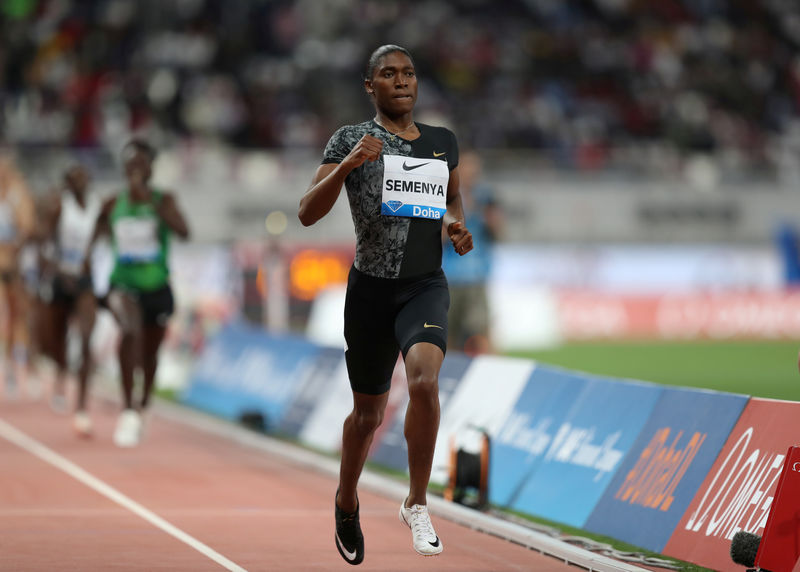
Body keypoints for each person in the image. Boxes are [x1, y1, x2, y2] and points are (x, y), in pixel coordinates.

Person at [298, 44, 473, 564]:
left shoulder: (442, 143)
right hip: (370, 292)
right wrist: (349, 163)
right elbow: (307, 212)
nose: (402, 81)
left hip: (424, 285)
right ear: (369, 86)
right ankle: (346, 498)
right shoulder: (350, 138)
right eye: (389, 74)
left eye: (410, 73)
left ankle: (416, 503)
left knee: (423, 380)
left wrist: (454, 226)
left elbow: (451, 199)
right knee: (367, 415)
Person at [87, 139, 189, 447]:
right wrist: (83, 270)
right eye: (130, 163)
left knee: (150, 354)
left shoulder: (164, 199)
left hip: (156, 286)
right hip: (122, 285)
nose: (135, 169)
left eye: (141, 163)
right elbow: (95, 236)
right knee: (129, 331)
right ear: (124, 168)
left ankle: (143, 404)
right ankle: (128, 409)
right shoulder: (111, 203)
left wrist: (154, 206)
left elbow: (184, 232)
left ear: (150, 168)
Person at [41, 164, 100, 434]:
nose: (80, 182)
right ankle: (61, 374)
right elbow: (47, 243)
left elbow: (105, 238)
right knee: (56, 337)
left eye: (83, 176)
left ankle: (82, 406)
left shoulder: (98, 206)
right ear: (68, 183)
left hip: (86, 281)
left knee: (87, 338)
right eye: (75, 178)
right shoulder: (59, 207)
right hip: (62, 277)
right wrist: (56, 268)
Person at [441, 150, 504, 355]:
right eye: (467, 168)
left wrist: (490, 217)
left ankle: (495, 377)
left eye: (475, 169)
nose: (471, 173)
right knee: (448, 334)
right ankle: (447, 378)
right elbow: (439, 238)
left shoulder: (486, 197)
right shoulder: (446, 198)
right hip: (450, 275)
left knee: (482, 332)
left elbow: (498, 233)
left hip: (476, 275)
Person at [0, 155, 36, 398]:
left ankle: (14, 367)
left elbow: (27, 227)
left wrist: (14, 250)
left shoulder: (17, 194)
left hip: (11, 264)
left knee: (16, 314)